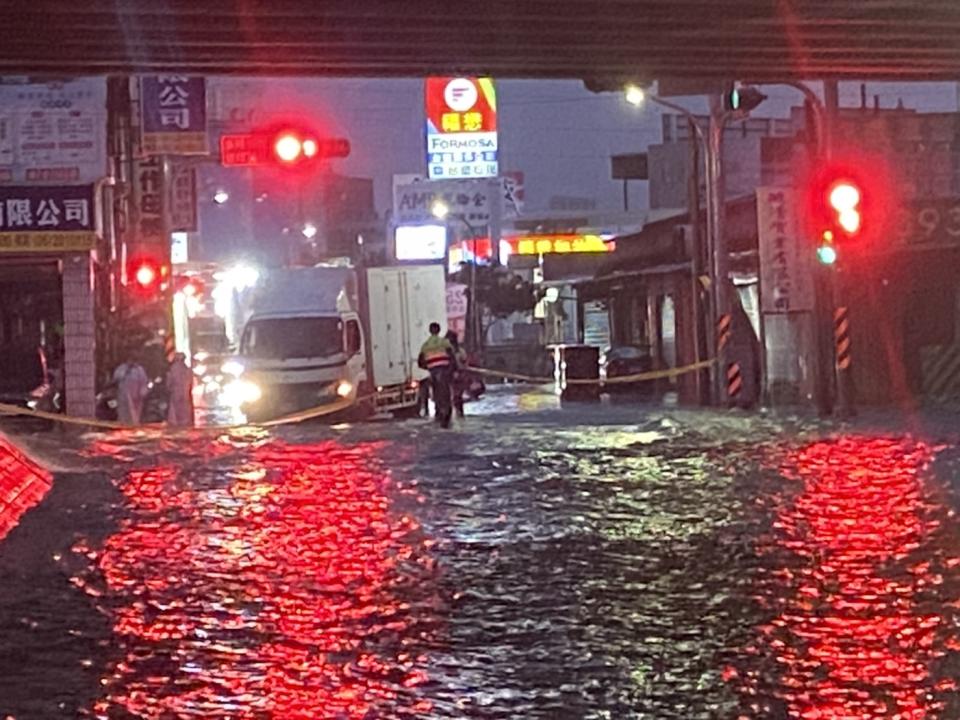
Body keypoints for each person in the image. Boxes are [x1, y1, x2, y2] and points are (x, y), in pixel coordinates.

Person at [418, 322, 454, 428]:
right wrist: (452, 370)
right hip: (444, 372)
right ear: (439, 330)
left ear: (430, 331)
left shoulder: (425, 345)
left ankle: (439, 414)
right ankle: (446, 415)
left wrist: (429, 367)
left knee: (437, 394)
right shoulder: (444, 342)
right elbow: (452, 357)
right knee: (445, 395)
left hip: (433, 373)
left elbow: (420, 362)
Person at [113, 355, 149, 426]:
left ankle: (133, 427)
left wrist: (142, 393)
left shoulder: (139, 370)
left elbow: (144, 382)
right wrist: (127, 370)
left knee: (134, 416)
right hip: (123, 397)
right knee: (124, 415)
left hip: (136, 398)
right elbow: (116, 378)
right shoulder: (122, 368)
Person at [166, 353, 195, 427]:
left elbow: (170, 381)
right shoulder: (186, 369)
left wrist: (169, 388)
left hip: (177, 390)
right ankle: (185, 422)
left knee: (177, 407)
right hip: (184, 391)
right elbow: (190, 380)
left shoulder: (173, 368)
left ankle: (178, 422)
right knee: (184, 407)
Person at [446, 330, 468, 418]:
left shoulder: (458, 351)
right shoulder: (455, 351)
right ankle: (457, 413)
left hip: (458, 376)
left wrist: (459, 371)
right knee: (455, 397)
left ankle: (459, 413)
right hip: (451, 376)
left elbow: (464, 362)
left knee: (457, 396)